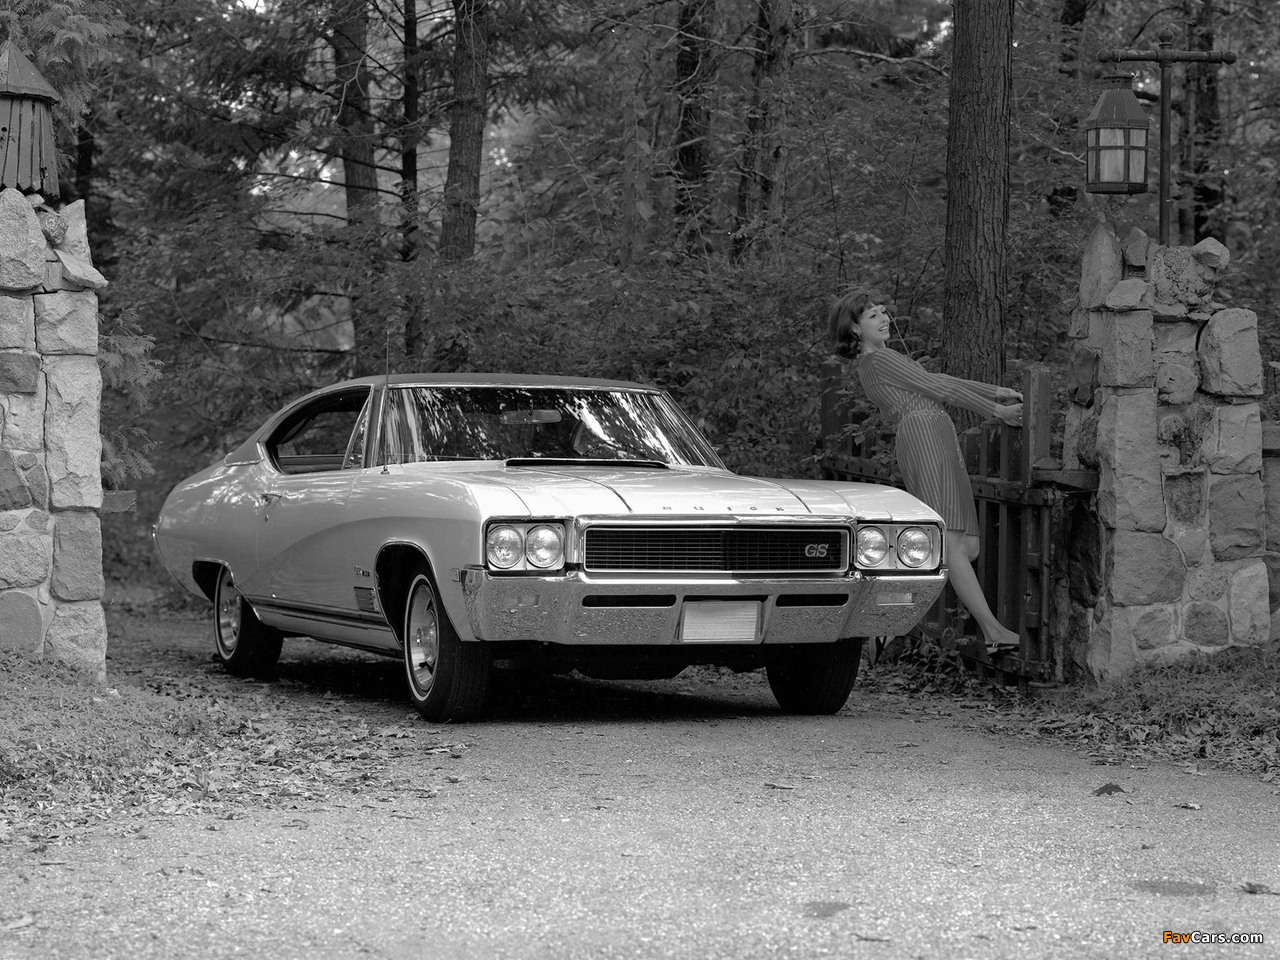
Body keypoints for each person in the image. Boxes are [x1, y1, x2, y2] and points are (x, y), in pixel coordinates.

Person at [828, 290, 1023, 655]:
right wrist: (996, 411)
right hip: (924, 436)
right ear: (854, 328)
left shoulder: (877, 361)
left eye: (883, 312)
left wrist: (993, 391)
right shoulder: (879, 360)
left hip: (934, 434)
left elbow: (935, 379)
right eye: (873, 315)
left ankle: (891, 623)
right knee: (951, 541)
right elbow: (939, 387)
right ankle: (993, 631)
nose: (884, 318)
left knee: (967, 546)